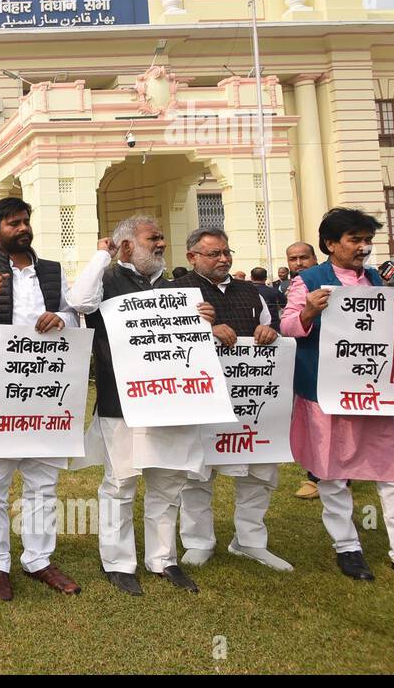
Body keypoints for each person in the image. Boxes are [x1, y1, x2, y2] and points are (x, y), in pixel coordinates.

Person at [67, 215, 217, 596]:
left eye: (163, 237)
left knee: (167, 483)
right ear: (127, 245)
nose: (162, 243)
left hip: (170, 402)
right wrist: (103, 256)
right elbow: (78, 301)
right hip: (121, 403)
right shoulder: (106, 281)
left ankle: (163, 560)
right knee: (120, 482)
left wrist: (205, 322)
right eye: (154, 238)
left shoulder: (173, 288)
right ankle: (118, 562)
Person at [0, 198, 82, 602]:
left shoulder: (52, 270)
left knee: (43, 481)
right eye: (13, 223)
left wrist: (62, 319)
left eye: (25, 221)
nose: (22, 228)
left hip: (46, 390)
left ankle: (39, 559)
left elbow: (74, 315)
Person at [279, 208, 394, 583]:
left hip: (374, 392)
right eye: (354, 240)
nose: (363, 248)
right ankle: (348, 547)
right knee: (331, 473)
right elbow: (288, 325)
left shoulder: (379, 281)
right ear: (331, 244)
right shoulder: (307, 280)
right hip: (325, 393)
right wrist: (308, 311)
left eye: (367, 241)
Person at [173, 229, 290, 572]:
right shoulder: (173, 292)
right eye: (214, 254)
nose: (223, 259)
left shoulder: (251, 292)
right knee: (197, 473)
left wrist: (269, 333)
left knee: (259, 470)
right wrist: (204, 330)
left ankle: (250, 541)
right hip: (201, 398)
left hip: (251, 400)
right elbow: (162, 341)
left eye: (227, 252)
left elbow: (271, 330)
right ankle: (197, 541)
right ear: (192, 257)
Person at [284, 242, 322, 499]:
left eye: (304, 257)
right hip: (313, 364)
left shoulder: (324, 279)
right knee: (319, 428)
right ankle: (316, 476)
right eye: (293, 258)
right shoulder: (297, 285)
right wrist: (307, 313)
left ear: (315, 257)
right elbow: (287, 325)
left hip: (353, 366)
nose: (298, 263)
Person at [250, 267, 283, 334]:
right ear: (265, 278)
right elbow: (284, 304)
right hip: (272, 328)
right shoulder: (274, 291)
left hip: (250, 329)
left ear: (251, 278)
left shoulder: (244, 293)